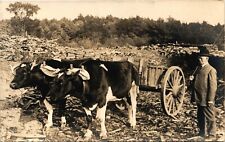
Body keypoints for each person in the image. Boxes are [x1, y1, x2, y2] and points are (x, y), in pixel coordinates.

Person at [190, 47, 217, 139]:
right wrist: (191, 80)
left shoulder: (211, 70)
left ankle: (212, 135)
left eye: (202, 58)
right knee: (200, 116)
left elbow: (213, 87)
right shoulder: (198, 68)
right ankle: (202, 133)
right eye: (199, 58)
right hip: (198, 97)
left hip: (206, 98)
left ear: (207, 59)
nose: (200, 60)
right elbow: (196, 82)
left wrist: (210, 99)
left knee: (210, 116)